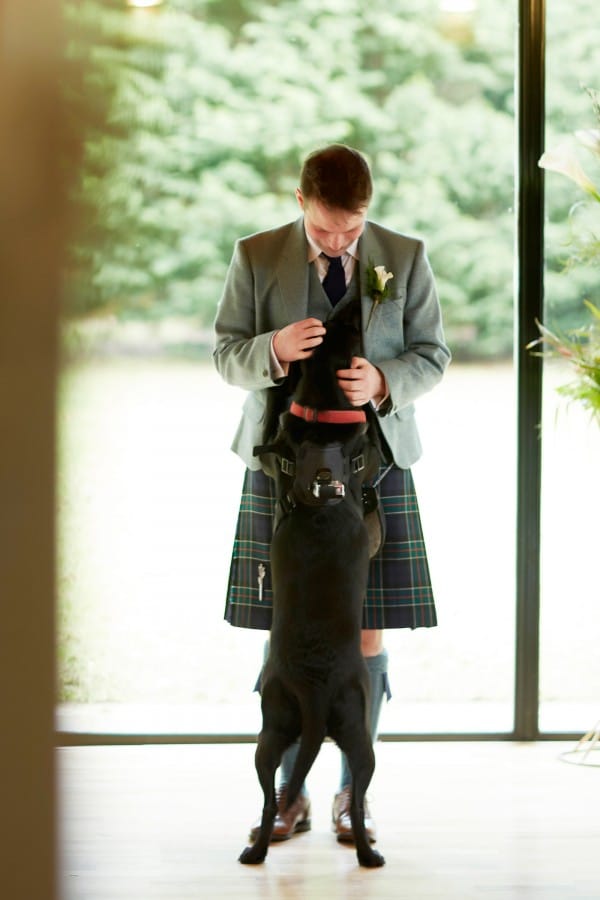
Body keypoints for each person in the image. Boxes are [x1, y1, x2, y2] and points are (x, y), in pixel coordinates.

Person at [213, 144, 450, 845]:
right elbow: (227, 352)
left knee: (366, 629)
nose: (340, 242)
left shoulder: (403, 256)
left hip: (375, 472)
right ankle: (287, 796)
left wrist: (382, 382)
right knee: (286, 634)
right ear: (299, 202)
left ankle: (355, 794)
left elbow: (431, 354)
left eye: (352, 230)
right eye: (325, 231)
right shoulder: (255, 255)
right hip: (279, 472)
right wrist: (275, 348)